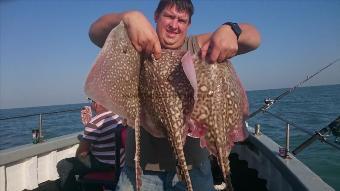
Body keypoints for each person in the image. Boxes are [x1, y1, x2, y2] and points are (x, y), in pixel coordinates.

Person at [88, 0, 261, 190]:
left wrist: (231, 29)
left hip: (194, 168)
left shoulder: (199, 46)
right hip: (141, 171)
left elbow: (254, 38)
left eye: (181, 20)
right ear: (156, 16)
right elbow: (95, 32)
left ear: (189, 24)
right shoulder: (136, 44)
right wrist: (128, 17)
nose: (174, 25)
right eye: (169, 16)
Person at [57, 99, 125, 191]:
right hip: (120, 162)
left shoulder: (94, 123)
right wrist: (88, 126)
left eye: (91, 101)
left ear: (96, 104)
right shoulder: (118, 115)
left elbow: (81, 154)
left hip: (104, 164)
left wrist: (88, 126)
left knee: (64, 165)